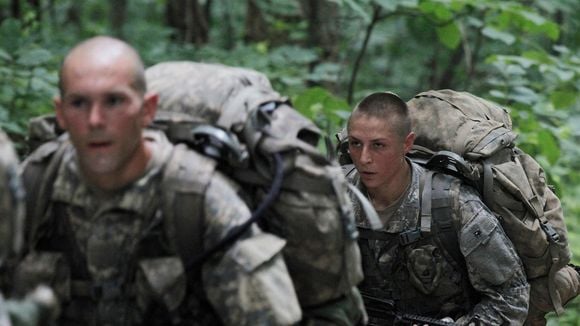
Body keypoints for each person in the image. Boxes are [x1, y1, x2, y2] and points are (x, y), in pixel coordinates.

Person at [14, 36, 301, 325]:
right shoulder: (33, 186)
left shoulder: (198, 199)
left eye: (114, 101)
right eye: (79, 103)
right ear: (60, 114)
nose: (95, 120)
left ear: (147, 110)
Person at [343, 92, 530, 325]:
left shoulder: (453, 204)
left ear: (407, 144)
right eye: (355, 144)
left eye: (378, 145)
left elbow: (511, 297)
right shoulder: (331, 194)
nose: (364, 158)